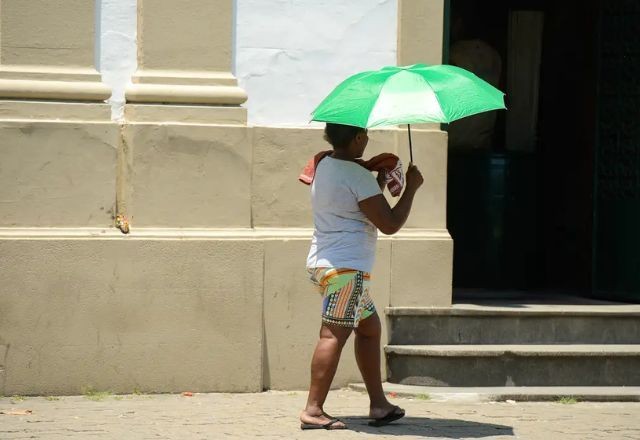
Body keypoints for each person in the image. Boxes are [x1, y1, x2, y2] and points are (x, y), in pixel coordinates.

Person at [300, 123, 424, 430]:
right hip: (346, 269)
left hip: (326, 263)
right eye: (365, 134)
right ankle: (313, 410)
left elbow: (353, 207)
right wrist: (411, 187)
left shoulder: (325, 164)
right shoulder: (356, 174)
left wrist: (377, 184)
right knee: (333, 335)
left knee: (369, 329)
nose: (368, 139)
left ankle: (379, 405)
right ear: (357, 138)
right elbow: (390, 223)